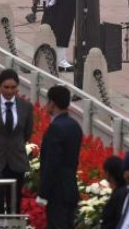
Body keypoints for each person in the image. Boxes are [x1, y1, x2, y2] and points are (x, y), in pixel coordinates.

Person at [0, 69, 33, 215]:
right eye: (6, 87)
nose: (10, 91)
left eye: (13, 87)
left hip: (17, 161)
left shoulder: (26, 107)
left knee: (15, 203)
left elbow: (27, 133)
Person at [38, 85, 81, 229]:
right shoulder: (75, 126)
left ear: (52, 103)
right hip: (70, 188)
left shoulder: (55, 128)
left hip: (57, 192)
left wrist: (43, 191)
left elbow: (51, 163)